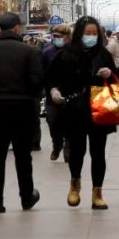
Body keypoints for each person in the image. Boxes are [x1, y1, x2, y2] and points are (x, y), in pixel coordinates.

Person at [0, 12, 43, 214]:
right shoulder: (29, 52)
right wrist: (31, 97)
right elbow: (37, 80)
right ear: (16, 28)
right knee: (23, 155)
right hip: (23, 108)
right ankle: (27, 197)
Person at [47, 16, 116, 209]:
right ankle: (75, 185)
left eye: (94, 33)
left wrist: (110, 74)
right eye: (88, 33)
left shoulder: (103, 54)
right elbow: (52, 77)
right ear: (79, 33)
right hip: (75, 109)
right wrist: (54, 90)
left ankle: (97, 192)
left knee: (98, 152)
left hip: (99, 108)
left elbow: (116, 77)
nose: (91, 36)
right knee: (77, 150)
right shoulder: (66, 54)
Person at [42, 24, 72, 161]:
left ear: (67, 37)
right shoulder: (47, 52)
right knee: (53, 122)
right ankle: (57, 144)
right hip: (52, 94)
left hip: (70, 95)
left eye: (59, 36)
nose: (56, 39)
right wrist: (50, 89)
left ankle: (68, 150)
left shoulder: (74, 52)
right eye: (54, 36)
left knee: (70, 123)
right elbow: (43, 73)